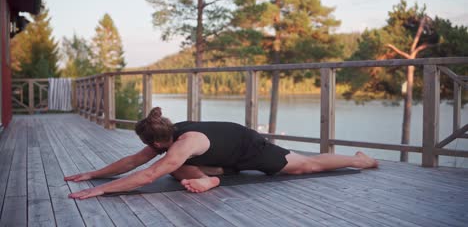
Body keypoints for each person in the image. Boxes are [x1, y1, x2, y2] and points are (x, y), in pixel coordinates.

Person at [66, 107, 378, 199]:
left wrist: (101, 190)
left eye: (153, 148)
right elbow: (134, 161)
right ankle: (215, 174)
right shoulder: (165, 137)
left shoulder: (181, 145)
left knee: (305, 166)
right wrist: (93, 174)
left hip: (246, 147)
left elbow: (146, 175)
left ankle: (357, 158)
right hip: (222, 153)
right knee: (172, 166)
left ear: (160, 142)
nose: (150, 151)